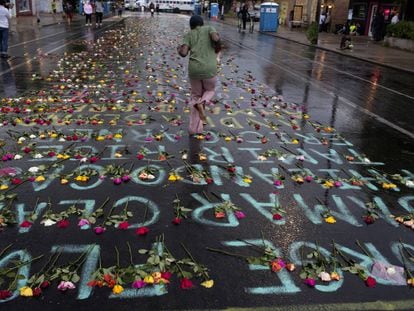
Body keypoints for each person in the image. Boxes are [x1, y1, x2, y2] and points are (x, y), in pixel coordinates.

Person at [177, 15, 221, 134]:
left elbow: (184, 53)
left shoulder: (189, 34)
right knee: (210, 91)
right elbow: (216, 38)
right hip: (209, 69)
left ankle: (194, 128)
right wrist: (215, 38)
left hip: (194, 70)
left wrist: (179, 49)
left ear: (191, 25)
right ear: (202, 23)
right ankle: (202, 103)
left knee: (195, 97)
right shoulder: (209, 28)